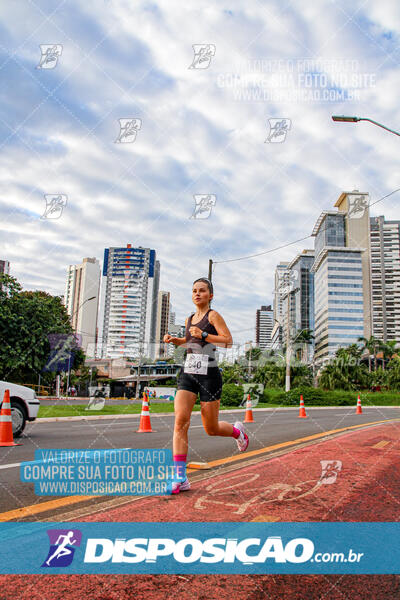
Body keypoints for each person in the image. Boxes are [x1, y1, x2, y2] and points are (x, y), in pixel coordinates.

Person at [163, 277, 249, 495]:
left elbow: (228, 341)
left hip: (209, 374)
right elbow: (191, 341)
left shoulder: (214, 315)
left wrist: (204, 334)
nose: (197, 294)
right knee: (180, 422)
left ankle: (238, 432)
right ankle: (180, 477)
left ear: (210, 295)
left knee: (211, 428)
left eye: (202, 290)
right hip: (189, 372)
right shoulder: (189, 318)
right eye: (194, 291)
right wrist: (176, 341)